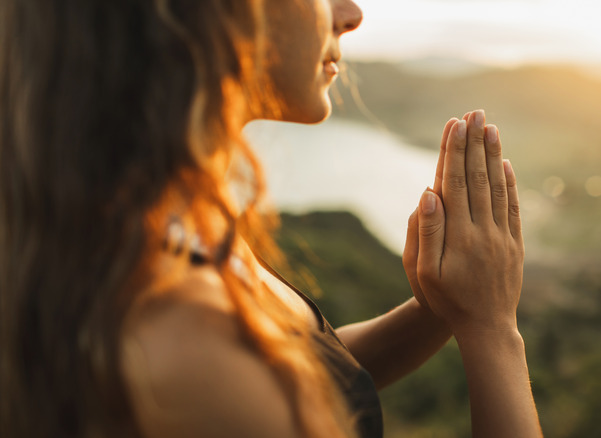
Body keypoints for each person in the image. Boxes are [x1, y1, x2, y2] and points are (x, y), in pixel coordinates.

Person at [0, 0, 543, 437]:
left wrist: (441, 307)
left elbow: (308, 370)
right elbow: (249, 385)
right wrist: (492, 330)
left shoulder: (154, 225)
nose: (351, 13)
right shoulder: (189, 344)